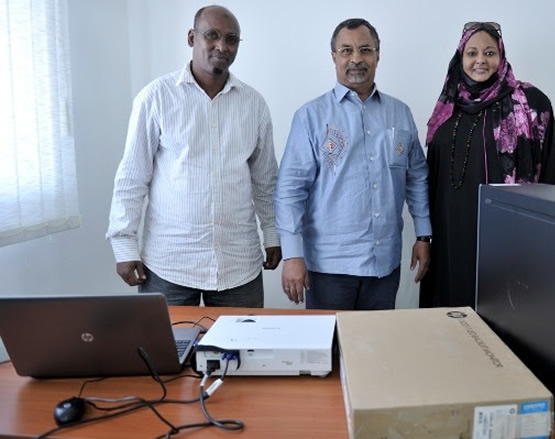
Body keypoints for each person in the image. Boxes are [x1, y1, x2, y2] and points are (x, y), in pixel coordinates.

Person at [106, 5, 281, 307]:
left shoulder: (254, 104)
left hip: (238, 264)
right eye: (212, 35)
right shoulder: (156, 97)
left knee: (244, 340)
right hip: (169, 264)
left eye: (231, 39)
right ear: (191, 38)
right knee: (164, 341)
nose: (222, 46)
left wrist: (273, 234)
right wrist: (124, 245)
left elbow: (265, 180)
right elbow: (132, 177)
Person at [274, 18, 431, 311]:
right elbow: (290, 191)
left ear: (377, 55)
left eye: (365, 50)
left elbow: (417, 178)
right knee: (329, 340)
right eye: (346, 50)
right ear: (334, 56)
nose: (356, 58)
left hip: (384, 264)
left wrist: (423, 235)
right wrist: (292, 254)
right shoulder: (310, 116)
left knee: (379, 339)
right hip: (329, 267)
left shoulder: (400, 113)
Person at [420, 22, 555, 309]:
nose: (481, 60)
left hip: (507, 235)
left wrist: (552, 234)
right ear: (460, 58)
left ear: (501, 56)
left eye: (489, 53)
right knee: (451, 314)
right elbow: (429, 178)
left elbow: (552, 172)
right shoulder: (447, 107)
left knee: (501, 309)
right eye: (472, 53)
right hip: (450, 232)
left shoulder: (530, 103)